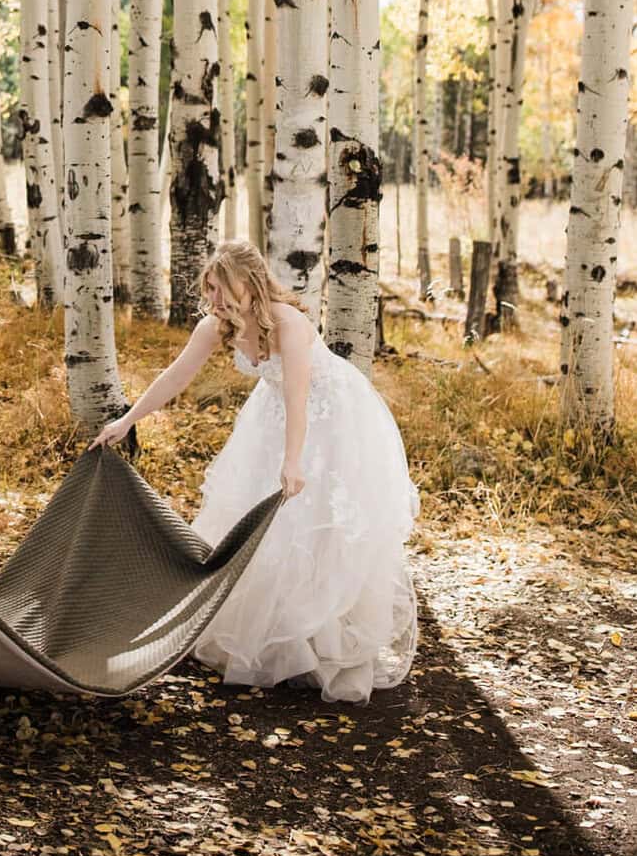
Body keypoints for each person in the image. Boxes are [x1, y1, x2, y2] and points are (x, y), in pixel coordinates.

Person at [91, 240, 418, 703]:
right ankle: (272, 642)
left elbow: (299, 396)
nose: (215, 298)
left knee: (317, 526)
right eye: (209, 288)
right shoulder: (215, 326)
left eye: (223, 287)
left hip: (331, 416)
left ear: (251, 282)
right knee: (260, 526)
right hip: (272, 414)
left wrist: (293, 460)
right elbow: (175, 377)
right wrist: (126, 419)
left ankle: (322, 645)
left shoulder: (289, 322)